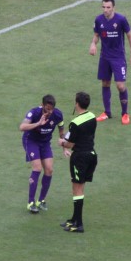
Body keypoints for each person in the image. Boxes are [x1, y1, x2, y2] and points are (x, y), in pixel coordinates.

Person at [89, 0, 131, 125]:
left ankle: (125, 113)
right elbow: (96, 35)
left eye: (108, 7)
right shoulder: (99, 20)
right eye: (103, 7)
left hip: (118, 58)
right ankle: (107, 112)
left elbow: (130, 36)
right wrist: (93, 44)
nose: (105, 10)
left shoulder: (121, 19)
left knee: (120, 85)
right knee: (105, 83)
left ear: (113, 8)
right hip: (104, 57)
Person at [57, 92, 98, 233]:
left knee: (77, 189)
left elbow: (70, 144)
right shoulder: (92, 116)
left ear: (77, 104)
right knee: (79, 187)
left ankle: (78, 224)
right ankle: (74, 219)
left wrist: (62, 142)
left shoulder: (75, 123)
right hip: (91, 155)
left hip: (80, 157)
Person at [20, 94, 64, 214]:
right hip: (31, 141)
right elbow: (22, 127)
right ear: (42, 105)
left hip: (45, 143)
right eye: (47, 109)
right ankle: (31, 203)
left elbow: (61, 129)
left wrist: (64, 147)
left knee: (49, 169)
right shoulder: (34, 113)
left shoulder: (58, 115)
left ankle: (41, 200)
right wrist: (38, 123)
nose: (49, 112)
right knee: (37, 168)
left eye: (51, 109)